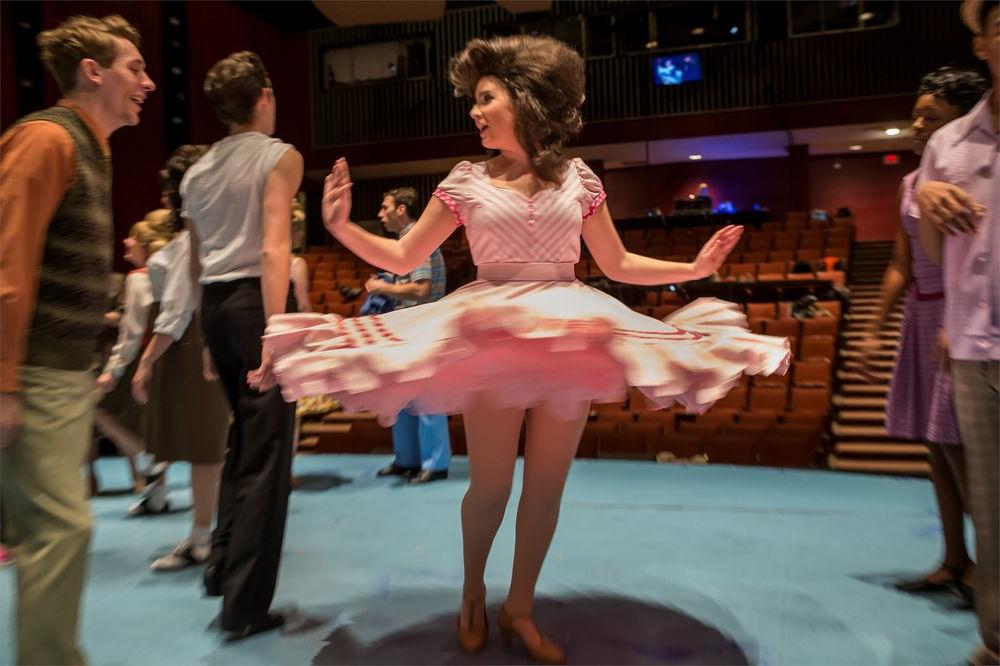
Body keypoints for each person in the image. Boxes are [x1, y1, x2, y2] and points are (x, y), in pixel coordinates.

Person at [264, 35, 788, 664]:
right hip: (491, 330)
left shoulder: (580, 178)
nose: (475, 112)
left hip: (571, 329)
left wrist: (694, 265)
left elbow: (615, 263)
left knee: (546, 488)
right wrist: (344, 227)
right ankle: (470, 595)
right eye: (474, 101)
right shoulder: (465, 180)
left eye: (486, 98)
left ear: (526, 99)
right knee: (490, 488)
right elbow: (405, 256)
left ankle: (520, 606)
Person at [0, 14, 155, 665]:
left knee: (48, 529)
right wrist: (5, 381)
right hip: (31, 373)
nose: (148, 82)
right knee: (60, 529)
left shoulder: (92, 146)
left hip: (59, 375)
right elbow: (8, 269)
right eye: (135, 68)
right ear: (93, 72)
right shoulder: (45, 140)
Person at [180, 51, 303, 639]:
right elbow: (276, 248)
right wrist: (277, 332)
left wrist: (207, 337)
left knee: (240, 443)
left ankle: (219, 570)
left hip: (215, 306)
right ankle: (245, 606)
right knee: (266, 455)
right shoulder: (279, 157)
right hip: (258, 304)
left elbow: (196, 258)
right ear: (263, 97)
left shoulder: (195, 172)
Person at [856, 66, 986, 605]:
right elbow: (899, 264)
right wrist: (872, 330)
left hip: (964, 319)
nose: (916, 125)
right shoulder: (910, 183)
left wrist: (960, 319)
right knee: (937, 448)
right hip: (920, 316)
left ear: (963, 120)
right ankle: (955, 559)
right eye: (916, 113)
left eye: (930, 117)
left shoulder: (980, 172)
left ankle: (989, 570)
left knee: (967, 452)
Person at [916, 2, 999, 663]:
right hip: (973, 340)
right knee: (990, 499)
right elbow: (920, 241)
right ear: (983, 44)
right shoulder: (948, 147)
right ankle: (996, 639)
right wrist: (927, 201)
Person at [122, 145, 231, 572]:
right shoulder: (211, 231)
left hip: (190, 342)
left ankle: (203, 537)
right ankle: (206, 533)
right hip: (202, 337)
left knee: (205, 448)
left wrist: (147, 360)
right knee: (207, 448)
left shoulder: (194, 237)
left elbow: (178, 308)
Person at [369, 187, 451, 484]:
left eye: (385, 207)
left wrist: (382, 288)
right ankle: (407, 460)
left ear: (401, 209)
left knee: (428, 397)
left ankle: (435, 463)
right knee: (400, 397)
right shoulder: (405, 241)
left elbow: (421, 289)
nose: (380, 214)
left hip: (424, 327)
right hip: (406, 328)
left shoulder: (418, 240)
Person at [94, 218, 171, 495]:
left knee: (98, 409)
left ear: (145, 244)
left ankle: (147, 462)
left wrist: (113, 369)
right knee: (156, 424)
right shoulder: (178, 270)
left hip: (142, 358)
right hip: (173, 355)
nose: (125, 242)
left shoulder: (138, 278)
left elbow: (132, 332)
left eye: (131, 236)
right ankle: (156, 492)